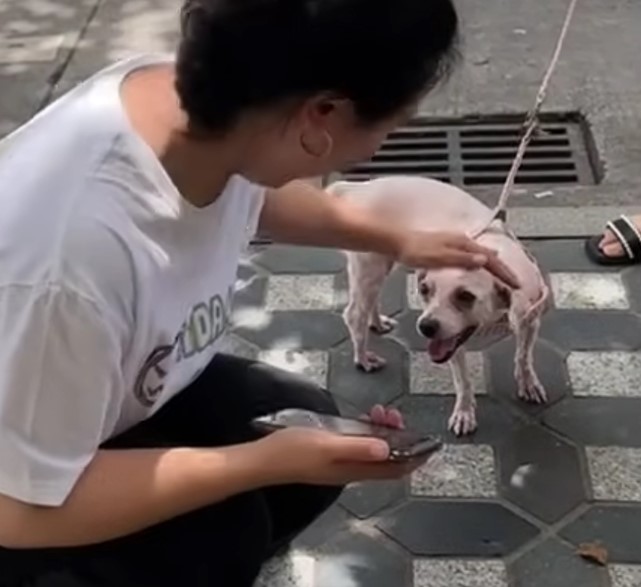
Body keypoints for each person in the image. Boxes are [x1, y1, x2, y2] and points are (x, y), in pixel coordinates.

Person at [0, 0, 519, 585]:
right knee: (226, 528)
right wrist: (255, 465)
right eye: (391, 127)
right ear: (321, 115)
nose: (378, 150)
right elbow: (18, 510)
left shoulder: (209, 105)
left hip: (99, 397)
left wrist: (397, 237)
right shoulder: (66, 269)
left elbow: (250, 191)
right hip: (20, 496)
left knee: (306, 429)